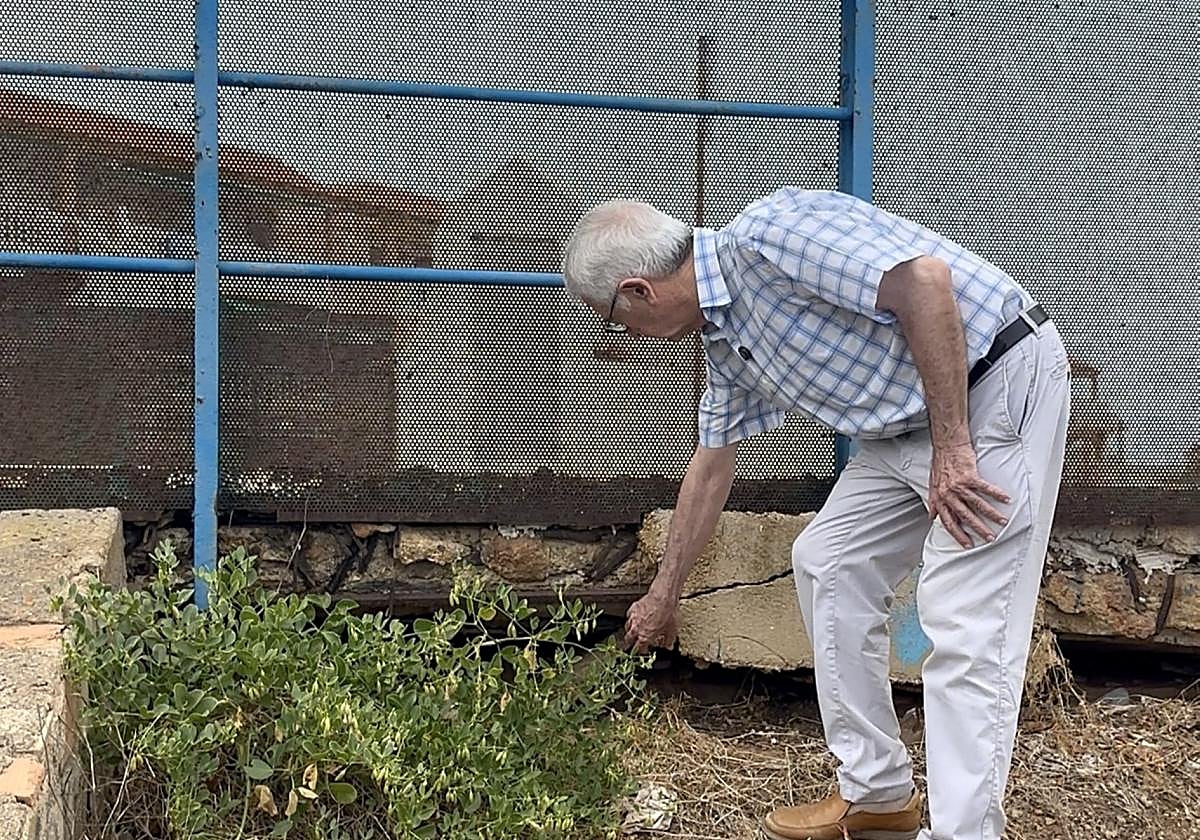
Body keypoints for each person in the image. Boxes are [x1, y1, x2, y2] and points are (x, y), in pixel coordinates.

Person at [560, 188, 1070, 840]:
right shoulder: (725, 341)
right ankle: (877, 795)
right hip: (910, 420)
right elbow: (710, 467)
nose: (625, 335)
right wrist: (664, 596)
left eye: (611, 319)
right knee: (829, 561)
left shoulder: (774, 235)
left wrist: (954, 445)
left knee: (966, 623)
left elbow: (925, 282)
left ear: (638, 291)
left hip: (991, 382)